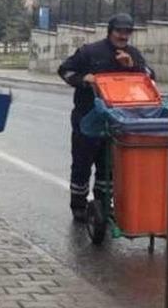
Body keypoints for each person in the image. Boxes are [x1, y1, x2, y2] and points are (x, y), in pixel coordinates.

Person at [57, 13, 155, 221]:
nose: (123, 35)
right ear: (110, 31)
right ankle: (79, 206)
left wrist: (132, 66)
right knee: (82, 163)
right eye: (119, 31)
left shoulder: (133, 54)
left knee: (108, 167)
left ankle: (103, 204)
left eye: (127, 31)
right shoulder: (90, 52)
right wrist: (84, 79)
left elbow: (149, 78)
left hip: (118, 120)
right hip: (87, 118)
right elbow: (65, 70)